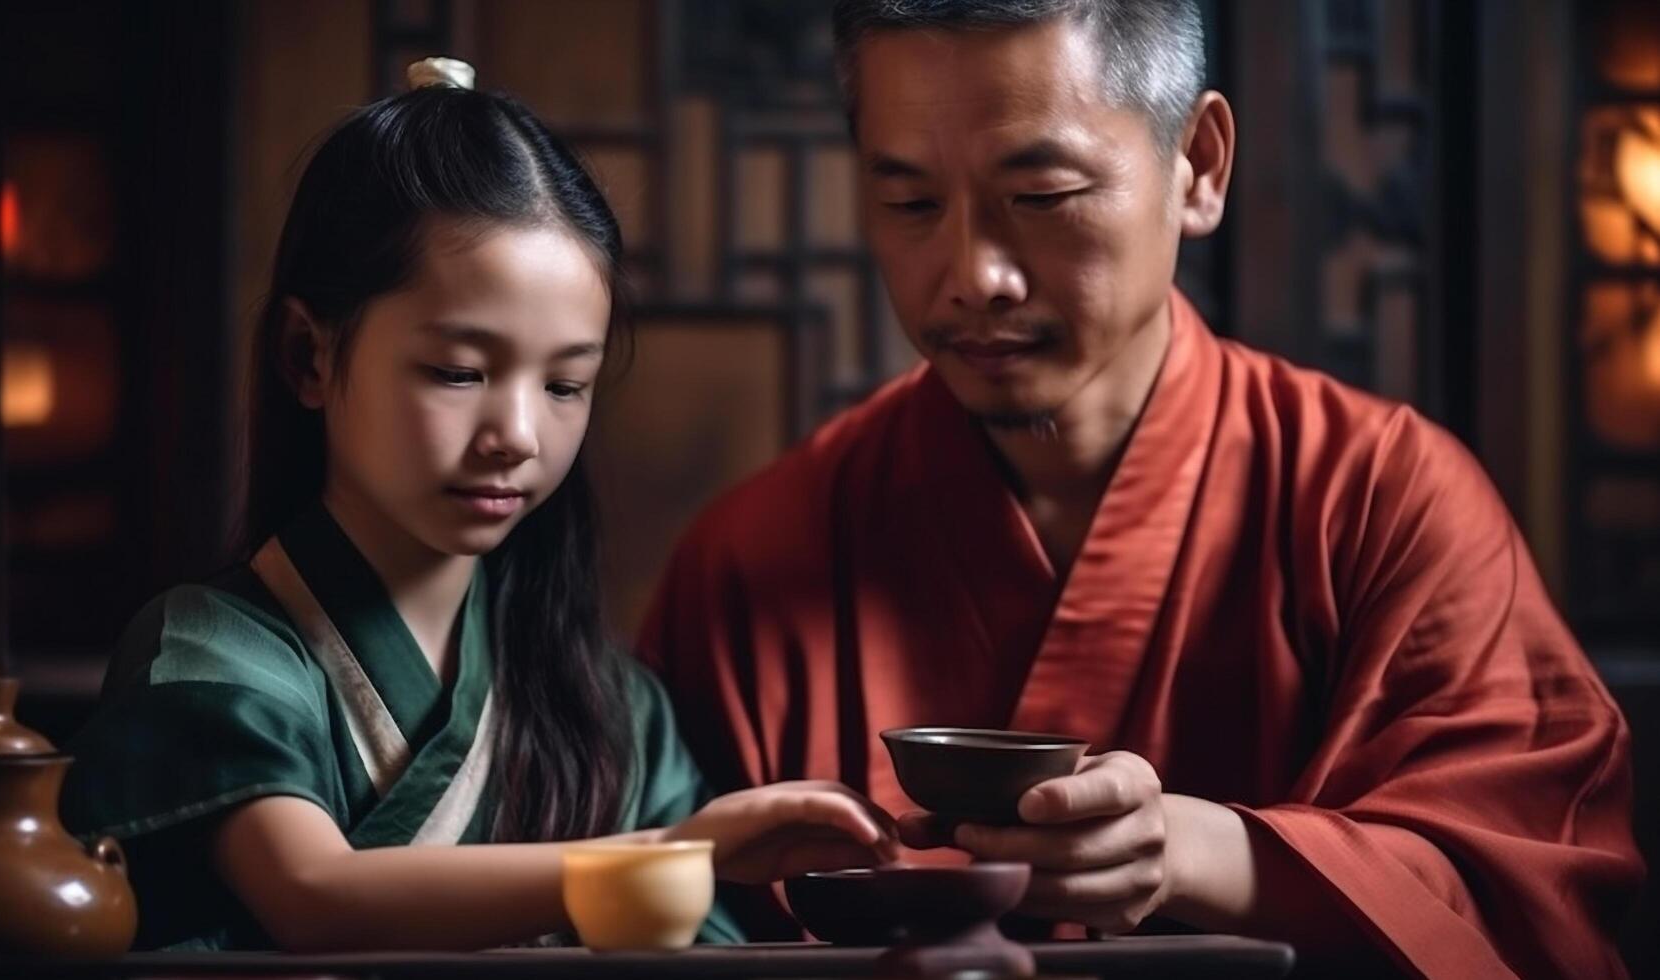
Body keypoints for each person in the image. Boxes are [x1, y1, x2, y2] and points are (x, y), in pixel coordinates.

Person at [638, 4, 1644, 977]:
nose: (971, 273)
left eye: (1039, 197)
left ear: (1197, 165)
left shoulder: (1379, 501)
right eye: (908, 203)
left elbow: (1529, 891)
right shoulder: (758, 553)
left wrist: (1200, 853)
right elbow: (651, 918)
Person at [61, 59, 896, 953]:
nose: (519, 434)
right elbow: (314, 894)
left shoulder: (616, 707)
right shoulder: (211, 651)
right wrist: (669, 853)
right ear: (308, 356)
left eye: (566, 384)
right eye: (459, 372)